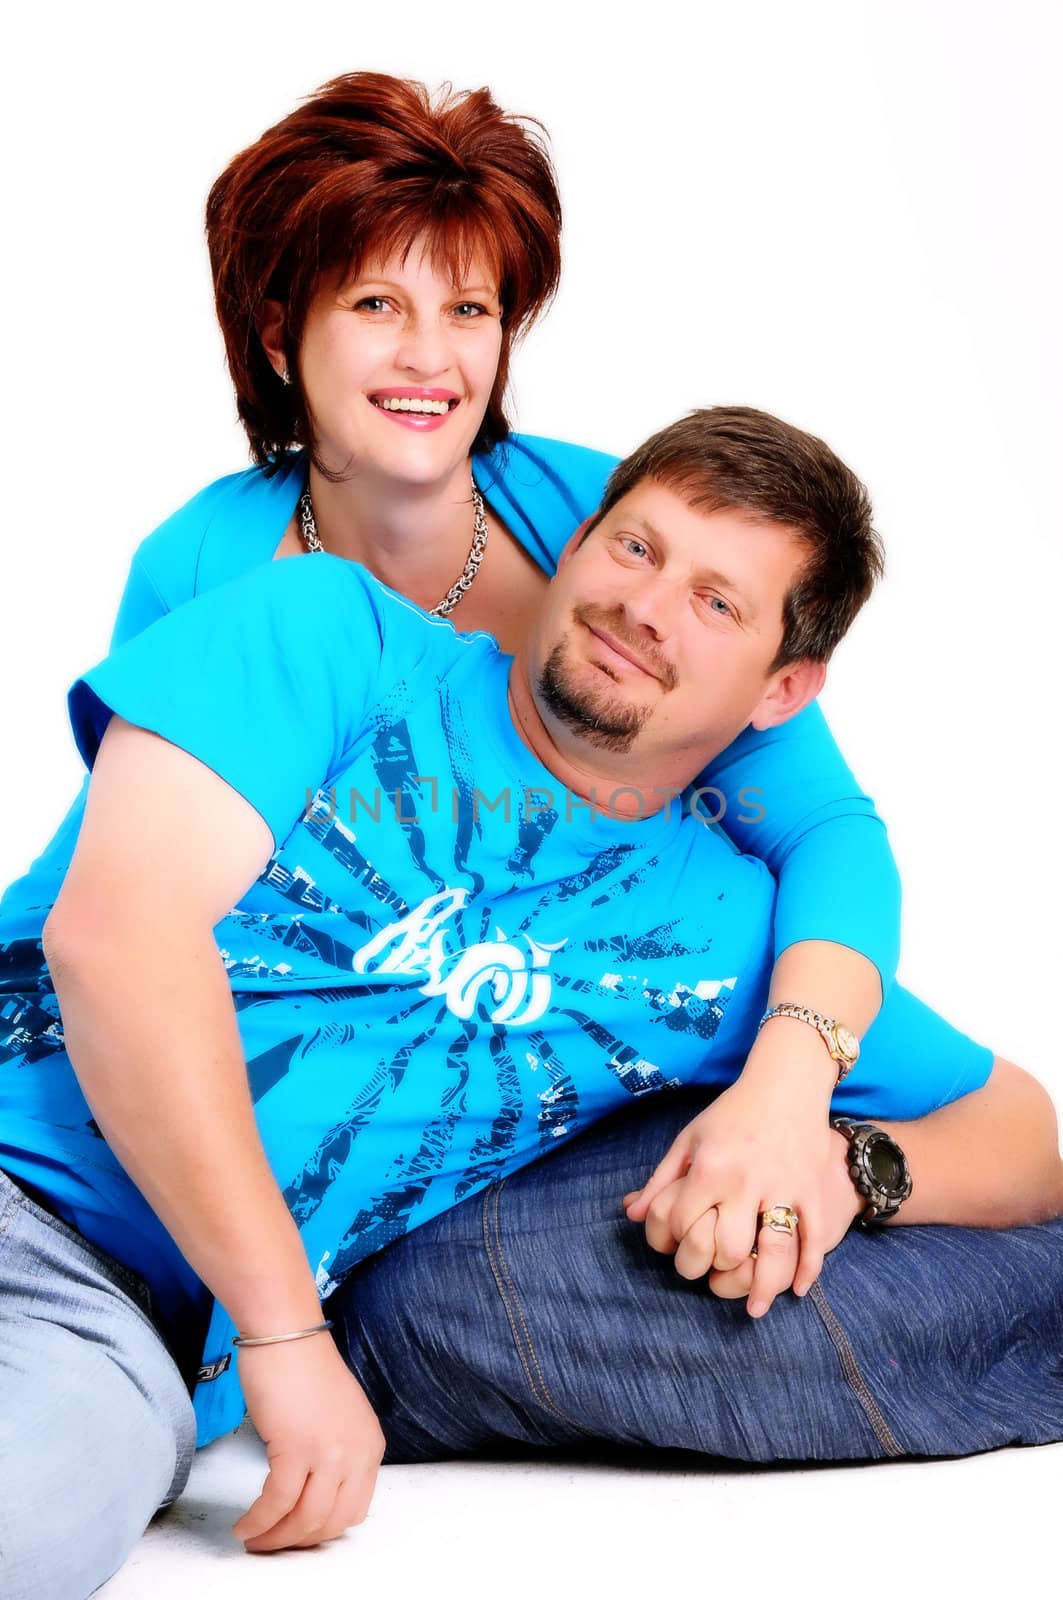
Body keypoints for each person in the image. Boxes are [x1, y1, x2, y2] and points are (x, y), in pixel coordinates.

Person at [2, 406, 1062, 1599]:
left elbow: (1025, 1135)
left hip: (109, 1327)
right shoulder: (325, 630)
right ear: (571, 548)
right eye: (636, 548)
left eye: (718, 603)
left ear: (783, 691)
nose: (647, 608)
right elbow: (115, 940)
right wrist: (286, 1332)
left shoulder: (718, 936)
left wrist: (834, 1159)